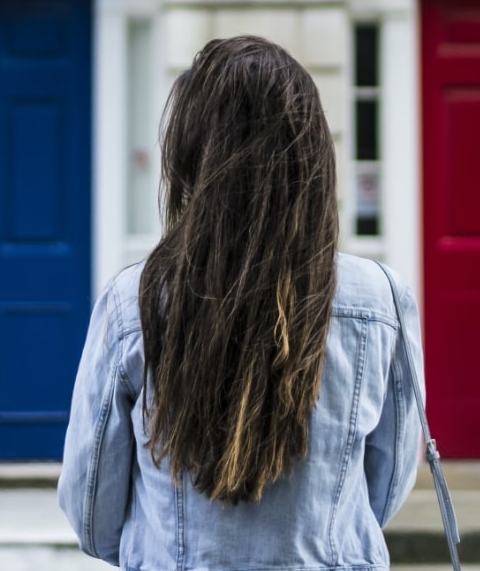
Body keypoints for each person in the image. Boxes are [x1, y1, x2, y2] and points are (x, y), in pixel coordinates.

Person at [58, 35, 425, 571]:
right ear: (313, 158)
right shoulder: (381, 300)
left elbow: (92, 511)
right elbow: (385, 486)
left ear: (189, 160)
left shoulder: (133, 304)